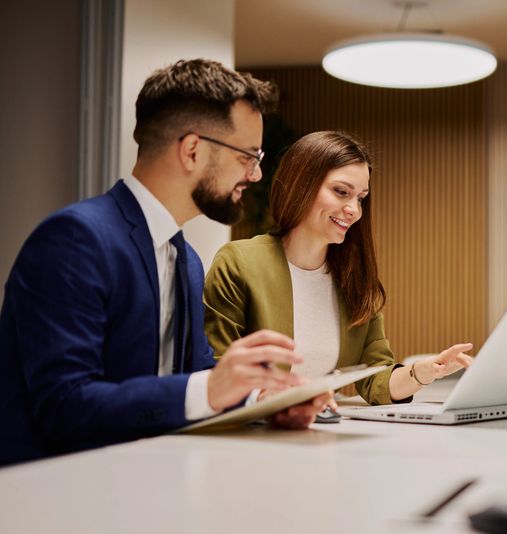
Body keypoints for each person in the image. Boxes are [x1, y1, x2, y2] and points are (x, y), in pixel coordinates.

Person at [0, 59, 330, 467]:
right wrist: (211, 388)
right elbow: (64, 406)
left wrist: (263, 399)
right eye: (249, 155)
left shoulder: (186, 259)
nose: (257, 174)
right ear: (192, 151)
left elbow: (192, 380)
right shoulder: (75, 239)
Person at [203, 131, 472, 405]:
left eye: (361, 198)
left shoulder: (355, 277)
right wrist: (276, 397)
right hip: (253, 437)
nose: (354, 210)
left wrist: (423, 373)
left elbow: (375, 377)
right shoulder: (238, 263)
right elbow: (216, 372)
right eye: (341, 192)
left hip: (324, 433)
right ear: (301, 185)